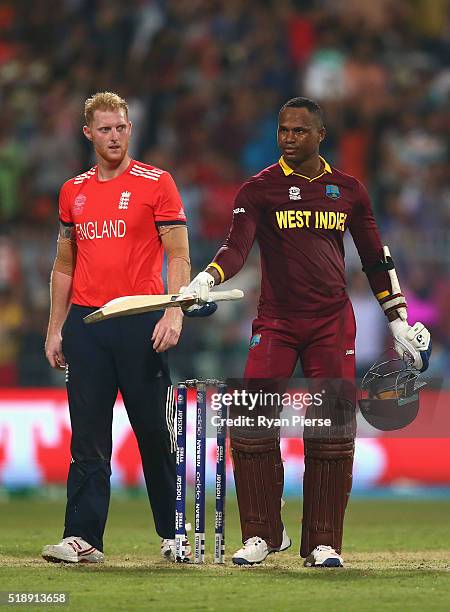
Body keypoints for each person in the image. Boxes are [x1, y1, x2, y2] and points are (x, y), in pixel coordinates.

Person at [180, 97, 431, 567]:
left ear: (320, 135)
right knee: (251, 420)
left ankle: (323, 542)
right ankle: (262, 535)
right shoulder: (259, 189)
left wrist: (396, 317)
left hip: (331, 323)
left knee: (331, 433)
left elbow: (376, 258)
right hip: (276, 321)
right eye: (283, 131)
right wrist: (207, 279)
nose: (289, 138)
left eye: (298, 131)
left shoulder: (349, 190)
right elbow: (236, 247)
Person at [43, 91, 191, 563]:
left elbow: (180, 254)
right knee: (87, 436)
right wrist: (55, 327)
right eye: (104, 129)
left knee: (152, 431)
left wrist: (175, 311)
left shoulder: (157, 182)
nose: (114, 136)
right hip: (87, 324)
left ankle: (174, 535)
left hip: (141, 320)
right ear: (88, 133)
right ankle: (83, 538)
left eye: (120, 128)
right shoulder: (73, 191)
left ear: (130, 129)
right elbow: (64, 263)